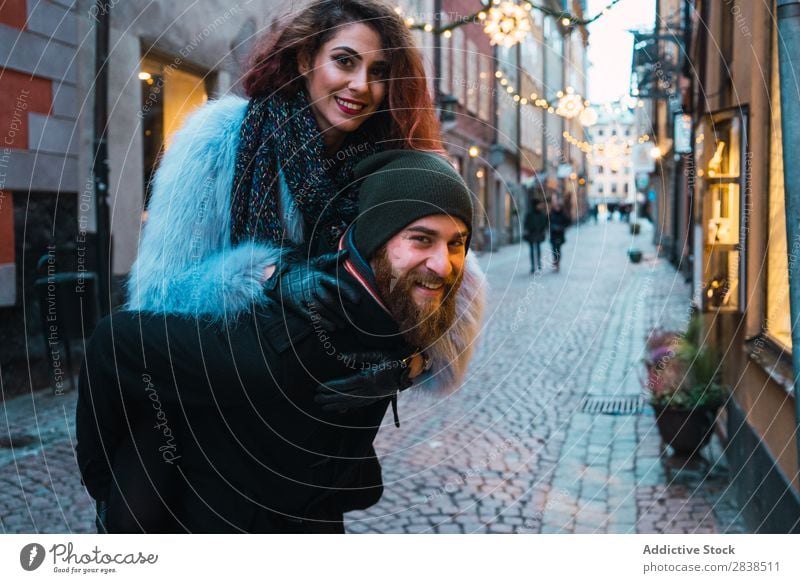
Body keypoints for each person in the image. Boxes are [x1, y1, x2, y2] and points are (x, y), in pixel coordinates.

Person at [76, 150, 486, 533]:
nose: (444, 263)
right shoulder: (270, 350)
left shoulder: (397, 310)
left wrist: (410, 365)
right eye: (421, 238)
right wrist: (104, 488)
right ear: (374, 239)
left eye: (456, 243)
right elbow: (112, 342)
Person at [523, 200, 547, 273]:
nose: (540, 206)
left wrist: (542, 230)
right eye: (539, 205)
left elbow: (545, 223)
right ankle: (533, 266)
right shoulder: (530, 214)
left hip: (539, 233)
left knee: (538, 249)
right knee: (532, 250)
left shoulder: (541, 214)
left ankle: (539, 264)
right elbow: (526, 223)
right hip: (531, 234)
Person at [549, 201, 569, 272]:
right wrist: (552, 227)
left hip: (560, 235)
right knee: (554, 249)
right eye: (556, 207)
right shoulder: (551, 214)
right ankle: (555, 260)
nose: (557, 208)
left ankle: (557, 263)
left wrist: (561, 227)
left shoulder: (563, 215)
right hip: (553, 235)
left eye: (558, 207)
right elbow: (548, 223)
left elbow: (568, 222)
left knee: (558, 249)